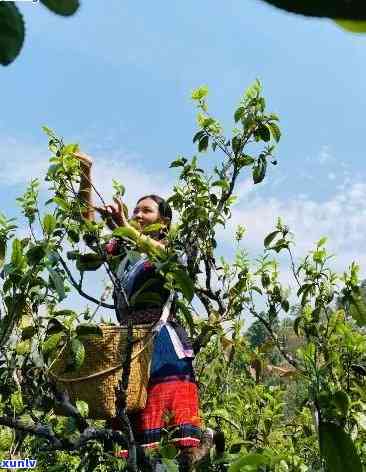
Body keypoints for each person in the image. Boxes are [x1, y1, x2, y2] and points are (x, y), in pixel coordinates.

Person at [74, 152, 202, 457]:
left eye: (146, 211)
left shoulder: (173, 249)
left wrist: (125, 228)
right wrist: (85, 175)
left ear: (164, 222)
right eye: (134, 211)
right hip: (128, 344)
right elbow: (87, 232)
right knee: (136, 440)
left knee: (172, 443)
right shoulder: (124, 252)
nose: (138, 215)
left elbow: (170, 262)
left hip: (162, 347)